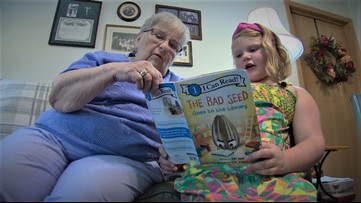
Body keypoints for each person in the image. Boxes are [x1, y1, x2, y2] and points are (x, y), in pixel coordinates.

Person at [0, 12, 190, 202]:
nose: (165, 46)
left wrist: (174, 160)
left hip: (124, 159)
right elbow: (58, 98)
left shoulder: (180, 89)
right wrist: (115, 71)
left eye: (174, 45)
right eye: (158, 35)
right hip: (53, 138)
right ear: (139, 38)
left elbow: (185, 150)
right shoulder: (101, 59)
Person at [158, 22, 326, 201]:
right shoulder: (221, 92)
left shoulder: (293, 92)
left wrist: (285, 160)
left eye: (253, 49)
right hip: (213, 177)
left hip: (271, 175)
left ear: (272, 51)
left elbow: (313, 142)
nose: (245, 56)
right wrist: (175, 153)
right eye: (238, 55)